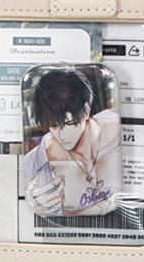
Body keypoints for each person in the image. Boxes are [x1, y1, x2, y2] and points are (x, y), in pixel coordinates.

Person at [23, 68, 121, 216]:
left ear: (86, 111)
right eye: (53, 126)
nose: (61, 135)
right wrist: (34, 202)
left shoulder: (114, 128)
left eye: (69, 124)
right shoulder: (37, 161)